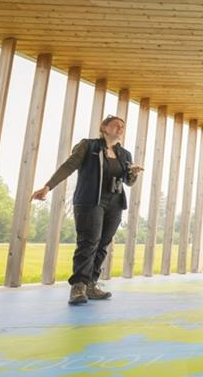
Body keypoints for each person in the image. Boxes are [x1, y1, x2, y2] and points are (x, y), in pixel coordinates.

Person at [31, 115, 143, 305]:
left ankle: (91, 284)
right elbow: (69, 166)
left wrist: (133, 173)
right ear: (104, 127)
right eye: (116, 124)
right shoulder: (88, 146)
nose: (120, 128)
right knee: (88, 242)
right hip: (90, 201)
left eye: (123, 126)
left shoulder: (125, 154)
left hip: (114, 203)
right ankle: (78, 287)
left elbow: (128, 182)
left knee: (102, 244)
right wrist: (48, 187)